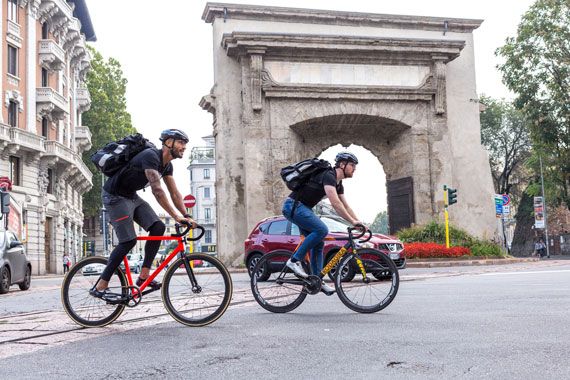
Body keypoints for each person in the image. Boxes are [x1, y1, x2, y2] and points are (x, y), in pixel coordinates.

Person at [90, 129, 197, 300]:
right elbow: (158, 191)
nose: (184, 147)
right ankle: (101, 285)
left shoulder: (167, 165)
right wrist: (176, 217)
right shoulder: (151, 156)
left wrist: (186, 215)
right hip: (114, 196)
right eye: (180, 142)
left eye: (185, 143)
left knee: (158, 227)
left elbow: (175, 194)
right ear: (168, 142)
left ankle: (144, 276)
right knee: (128, 241)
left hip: (131, 196)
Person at [282, 152, 364, 295]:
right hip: (293, 206)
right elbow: (335, 203)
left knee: (319, 243)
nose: (354, 168)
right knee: (321, 230)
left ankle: (317, 280)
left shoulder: (338, 184)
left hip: (303, 208)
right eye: (352, 165)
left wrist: (358, 222)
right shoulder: (329, 175)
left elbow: (346, 205)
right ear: (342, 165)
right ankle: (294, 261)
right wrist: (351, 221)